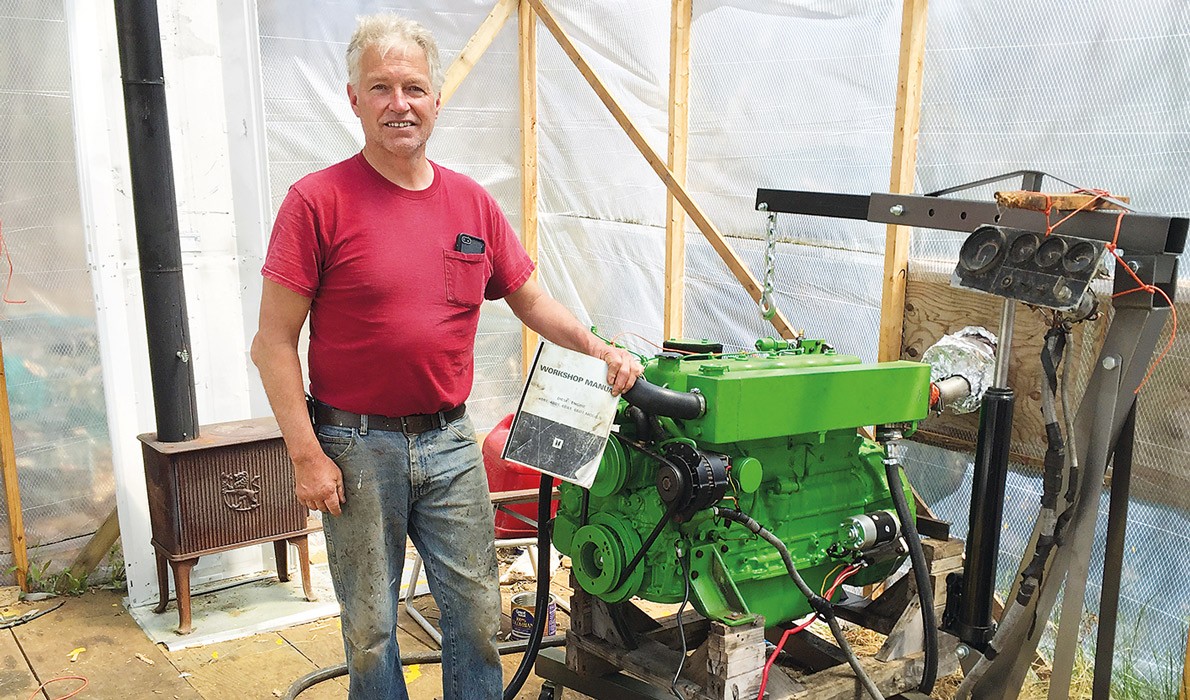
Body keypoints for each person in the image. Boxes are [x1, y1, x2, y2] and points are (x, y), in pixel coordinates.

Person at [249, 11, 642, 700]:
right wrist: (307, 455)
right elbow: (272, 342)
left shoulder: (471, 202)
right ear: (355, 100)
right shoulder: (317, 202)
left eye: (413, 88)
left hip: (451, 441)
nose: (399, 103)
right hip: (354, 445)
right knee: (371, 626)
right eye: (381, 88)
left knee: (478, 616)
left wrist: (596, 346)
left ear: (436, 99)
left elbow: (529, 297)